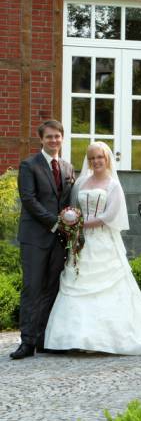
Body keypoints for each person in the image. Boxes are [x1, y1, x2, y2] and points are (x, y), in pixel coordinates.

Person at [44, 141, 141, 355]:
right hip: (82, 243)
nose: (96, 161)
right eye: (92, 158)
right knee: (77, 283)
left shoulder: (113, 185)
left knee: (107, 287)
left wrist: (82, 223)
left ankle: (106, 340)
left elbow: (110, 216)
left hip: (103, 242)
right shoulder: (81, 182)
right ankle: (78, 339)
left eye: (99, 157)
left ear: (107, 159)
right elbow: (74, 208)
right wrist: (71, 222)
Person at [10, 120, 74, 360]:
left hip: (59, 240)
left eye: (57, 136)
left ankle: (42, 339)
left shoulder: (68, 168)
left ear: (62, 138)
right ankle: (26, 342)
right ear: (41, 139)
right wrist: (55, 222)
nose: (54, 140)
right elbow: (29, 199)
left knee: (52, 289)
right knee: (32, 288)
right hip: (35, 238)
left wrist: (70, 225)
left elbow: (67, 203)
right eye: (49, 137)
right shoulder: (29, 165)